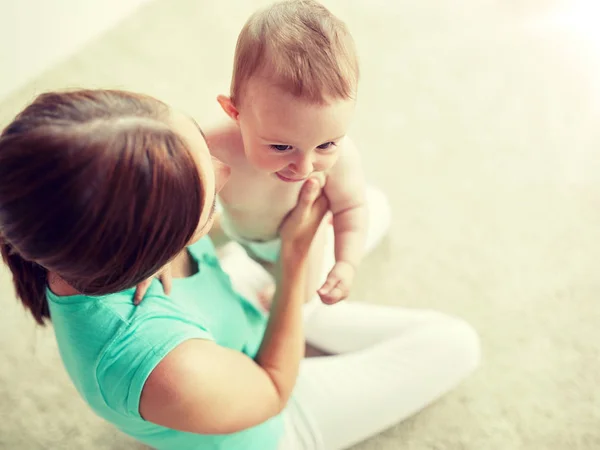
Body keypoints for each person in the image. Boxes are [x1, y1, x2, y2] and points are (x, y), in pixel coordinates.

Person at [0, 89, 480, 450]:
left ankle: (304, 305)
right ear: (144, 247)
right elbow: (272, 389)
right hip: (269, 415)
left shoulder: (86, 228)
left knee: (367, 205)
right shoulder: (157, 365)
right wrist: (294, 268)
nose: (224, 170)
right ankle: (306, 310)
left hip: (232, 310)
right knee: (455, 343)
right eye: (207, 195)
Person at [208, 0, 369, 307]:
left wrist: (346, 264)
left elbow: (352, 208)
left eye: (326, 145)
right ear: (235, 112)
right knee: (186, 253)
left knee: (297, 299)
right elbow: (173, 185)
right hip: (231, 225)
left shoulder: (344, 158)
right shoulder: (215, 145)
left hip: (298, 241)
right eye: (281, 147)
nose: (304, 168)